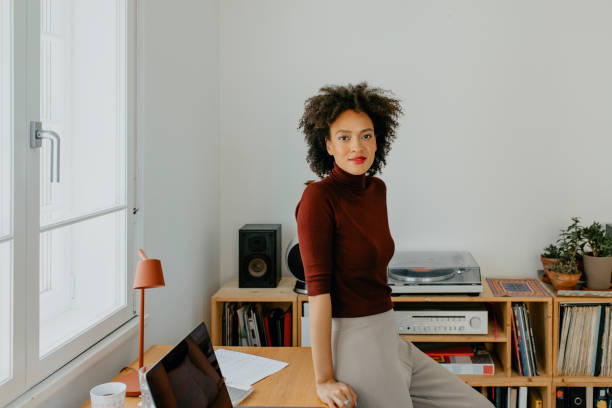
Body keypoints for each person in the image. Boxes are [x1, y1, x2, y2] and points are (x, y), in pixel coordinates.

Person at [295, 82, 495, 408]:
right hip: (352, 342)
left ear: (378, 140)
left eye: (366, 135)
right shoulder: (317, 199)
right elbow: (318, 296)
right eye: (344, 137)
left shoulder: (377, 190)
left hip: (389, 334)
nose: (356, 146)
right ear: (328, 144)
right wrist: (325, 379)